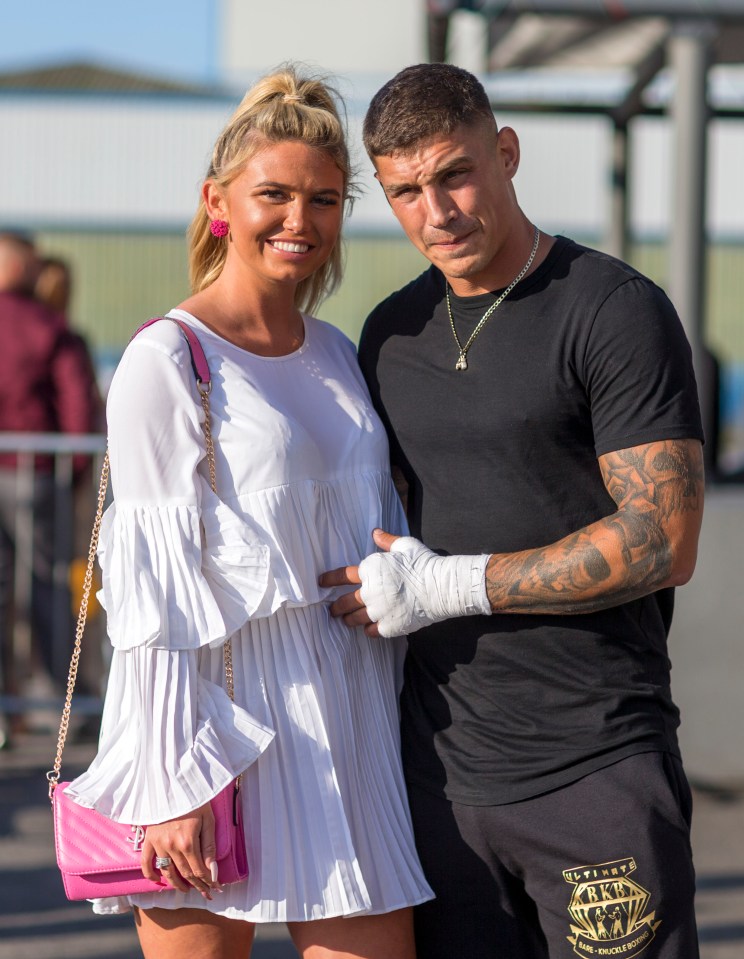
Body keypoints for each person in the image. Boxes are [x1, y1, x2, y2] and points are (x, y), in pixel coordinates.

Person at [321, 63, 705, 958]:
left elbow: (666, 538)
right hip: (440, 777)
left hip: (595, 758)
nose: (437, 213)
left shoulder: (613, 309)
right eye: (407, 191)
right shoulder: (390, 333)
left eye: (455, 175)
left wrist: (454, 585)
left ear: (506, 152)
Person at [64, 66, 432, 959]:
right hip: (216, 735)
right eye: (273, 194)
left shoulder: (342, 356)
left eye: (324, 198)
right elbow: (151, 594)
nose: (299, 221)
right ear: (218, 202)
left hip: (347, 726)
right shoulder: (169, 358)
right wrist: (172, 783)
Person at [0, 232, 101, 747]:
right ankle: (64, 700)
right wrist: (78, 470)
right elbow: (77, 404)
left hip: (30, 468)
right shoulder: (47, 326)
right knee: (44, 588)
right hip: (35, 474)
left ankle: (11, 709)